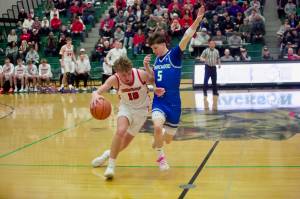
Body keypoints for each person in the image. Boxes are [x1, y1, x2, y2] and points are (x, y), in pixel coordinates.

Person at [143, 6, 205, 171]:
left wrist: (197, 19)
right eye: (152, 49)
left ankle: (159, 141)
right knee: (157, 127)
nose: (154, 51)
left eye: (155, 48)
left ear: (163, 44)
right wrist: (147, 68)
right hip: (159, 101)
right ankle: (161, 158)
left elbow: (186, 36)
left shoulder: (174, 55)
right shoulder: (157, 61)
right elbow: (153, 79)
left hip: (174, 104)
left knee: (167, 139)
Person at [91, 57, 152, 179]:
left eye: (129, 73)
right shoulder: (114, 79)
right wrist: (94, 95)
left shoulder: (141, 75)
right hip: (126, 108)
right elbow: (99, 91)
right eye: (123, 75)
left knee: (123, 145)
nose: (127, 77)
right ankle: (111, 166)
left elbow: (154, 80)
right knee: (120, 130)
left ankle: (107, 154)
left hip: (142, 111)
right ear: (117, 73)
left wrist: (147, 68)